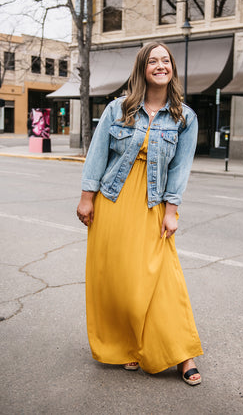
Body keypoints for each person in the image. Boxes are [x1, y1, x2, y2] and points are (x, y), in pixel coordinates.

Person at [77, 42, 203, 386]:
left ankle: (182, 354)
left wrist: (172, 210)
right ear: (142, 69)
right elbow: (98, 153)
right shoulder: (119, 108)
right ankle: (129, 346)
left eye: (165, 60)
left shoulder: (184, 117)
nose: (160, 65)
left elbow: (181, 168)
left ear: (172, 68)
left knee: (163, 279)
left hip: (152, 204)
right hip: (113, 201)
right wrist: (87, 197)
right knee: (119, 279)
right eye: (153, 61)